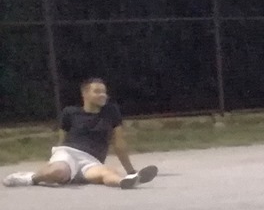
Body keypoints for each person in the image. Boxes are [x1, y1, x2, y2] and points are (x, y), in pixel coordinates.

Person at [4, 77, 157, 190]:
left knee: (108, 172)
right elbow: (62, 141)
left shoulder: (111, 112)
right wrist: (56, 160)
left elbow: (119, 143)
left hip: (92, 161)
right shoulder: (70, 112)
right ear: (85, 94)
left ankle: (126, 181)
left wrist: (130, 171)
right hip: (68, 154)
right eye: (97, 91)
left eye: (104, 92)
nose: (103, 95)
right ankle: (30, 178)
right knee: (58, 172)